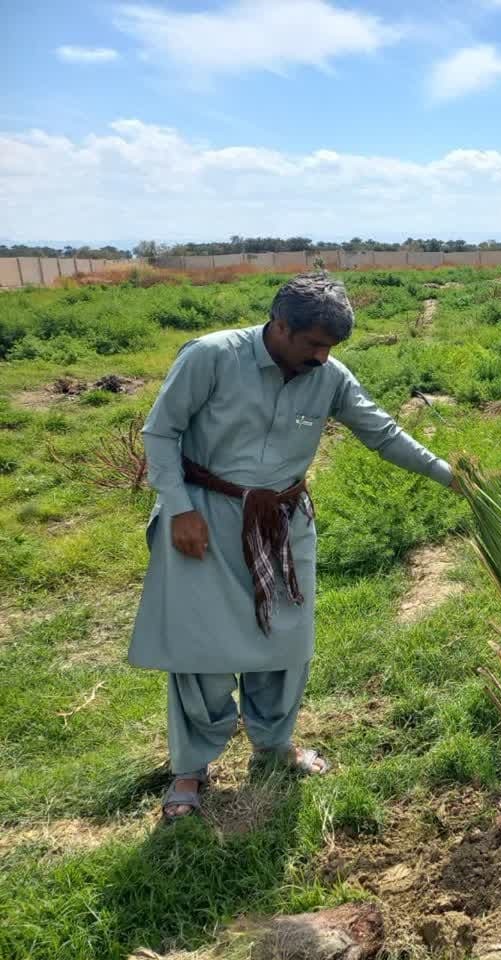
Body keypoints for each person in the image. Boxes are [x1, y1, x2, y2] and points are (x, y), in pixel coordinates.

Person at [129, 273, 455, 820]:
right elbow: (160, 432)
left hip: (282, 523)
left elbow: (383, 432)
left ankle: (275, 745)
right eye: (313, 344)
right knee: (199, 650)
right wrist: (180, 508)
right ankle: (190, 768)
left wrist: (450, 475)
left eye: (331, 347)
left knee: (286, 640)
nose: (323, 356)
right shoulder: (211, 357)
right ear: (279, 326)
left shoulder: (329, 376)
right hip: (204, 519)